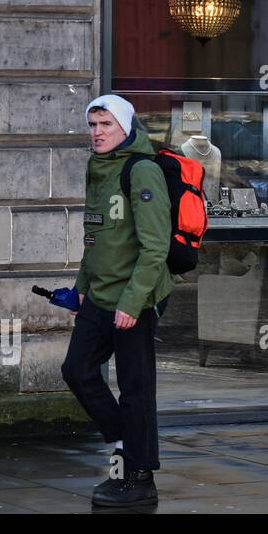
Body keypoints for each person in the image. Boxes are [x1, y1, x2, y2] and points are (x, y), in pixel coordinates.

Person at [61, 94, 173, 508]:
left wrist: (132, 302)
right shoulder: (98, 166)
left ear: (125, 127)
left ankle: (140, 477)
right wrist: (81, 286)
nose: (97, 133)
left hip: (136, 297)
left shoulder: (141, 170)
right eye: (92, 125)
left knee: (135, 389)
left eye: (105, 124)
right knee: (77, 369)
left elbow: (155, 247)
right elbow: (95, 236)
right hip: (100, 293)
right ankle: (125, 441)